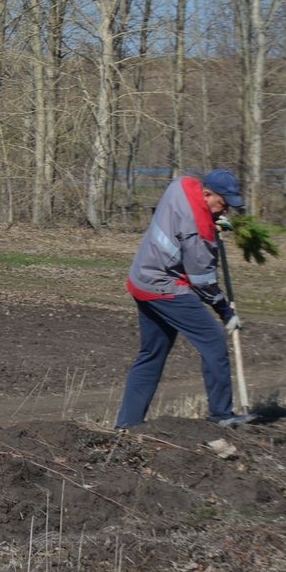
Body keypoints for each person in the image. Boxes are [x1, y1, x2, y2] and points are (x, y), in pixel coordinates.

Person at [115, 168, 255, 430]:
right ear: (206, 193)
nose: (224, 212)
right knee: (213, 343)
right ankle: (221, 415)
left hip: (141, 279)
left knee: (152, 354)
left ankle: (127, 425)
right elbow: (203, 281)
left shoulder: (181, 186)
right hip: (165, 288)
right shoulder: (198, 230)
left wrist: (211, 220)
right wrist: (225, 312)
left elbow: (182, 219)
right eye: (222, 205)